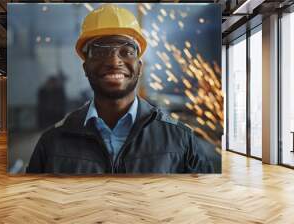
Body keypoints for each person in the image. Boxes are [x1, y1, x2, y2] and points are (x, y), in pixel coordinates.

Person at [27, 4, 220, 174]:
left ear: (139, 67)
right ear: (86, 67)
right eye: (101, 51)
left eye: (126, 51)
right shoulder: (51, 143)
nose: (114, 61)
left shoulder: (182, 140)